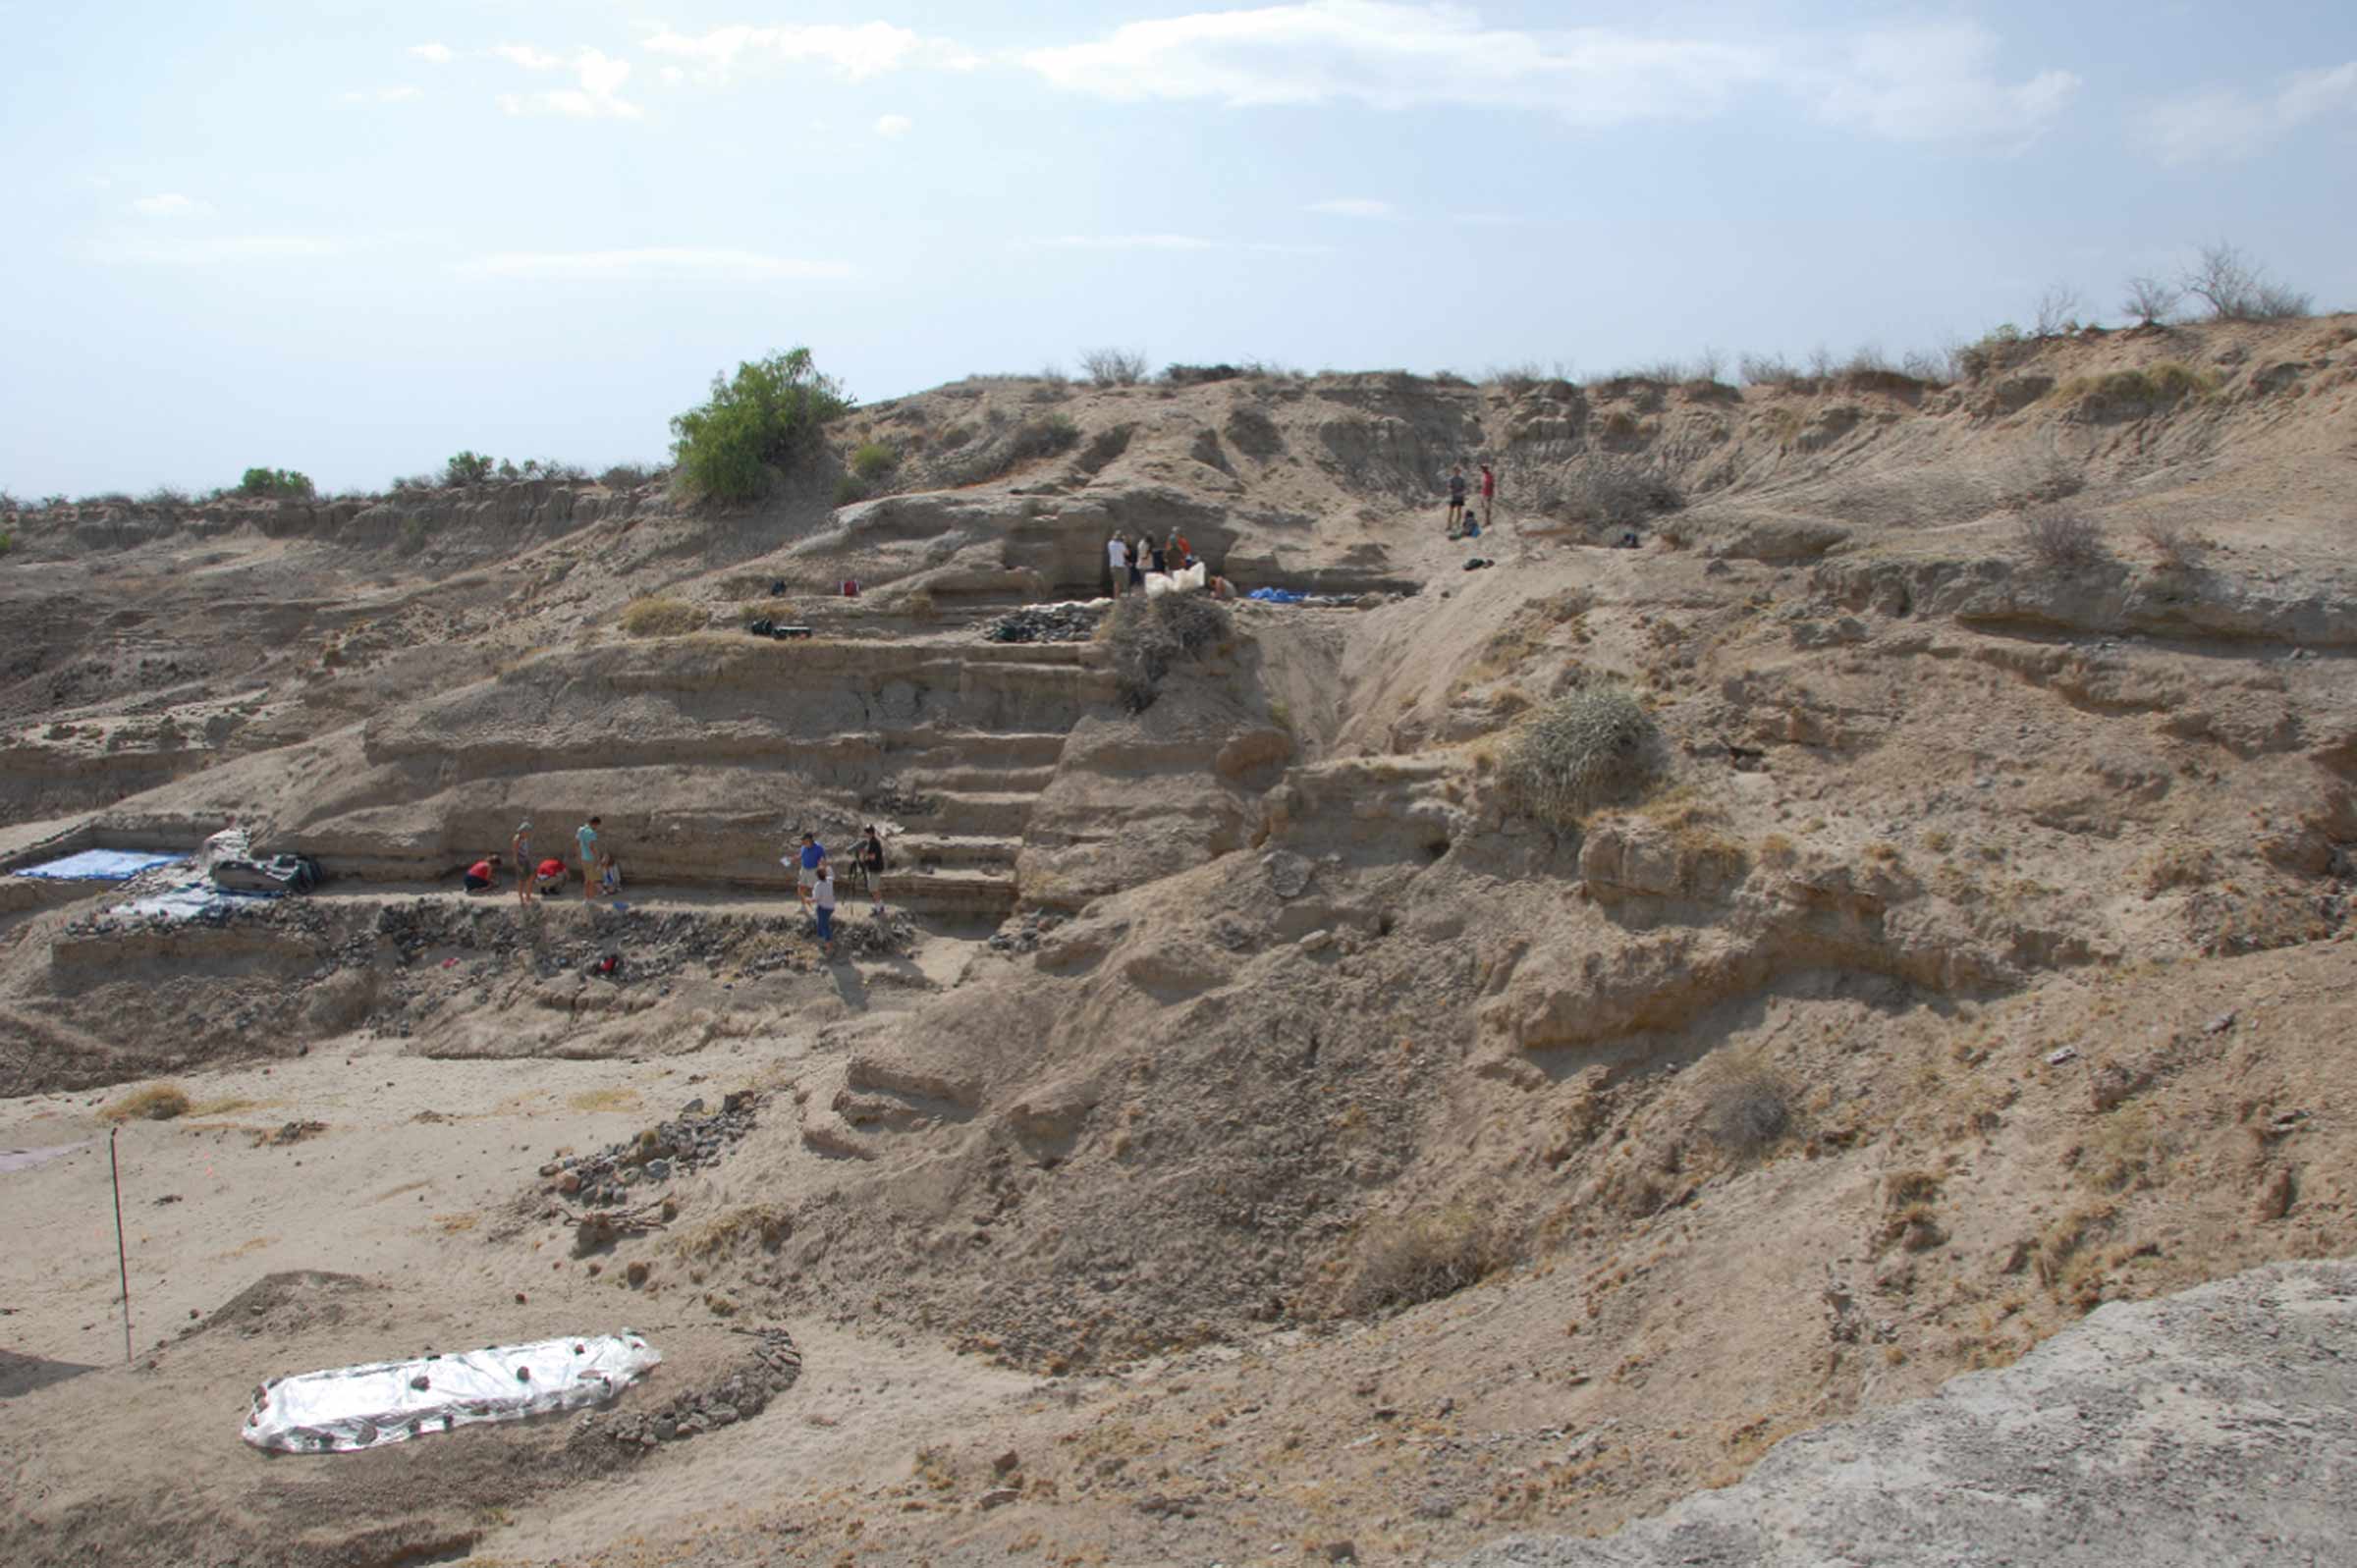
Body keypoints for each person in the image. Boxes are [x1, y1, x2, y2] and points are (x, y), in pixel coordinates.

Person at [855, 825, 888, 915]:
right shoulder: (872, 842)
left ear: (869, 833)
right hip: (874, 868)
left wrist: (863, 853)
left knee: (873, 889)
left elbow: (872, 857)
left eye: (865, 832)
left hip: (875, 869)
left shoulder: (874, 843)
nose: (864, 834)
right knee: (875, 889)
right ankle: (880, 906)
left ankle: (878, 909)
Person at [811, 864, 839, 957]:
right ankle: (822, 940)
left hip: (823, 908)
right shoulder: (830, 880)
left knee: (824, 926)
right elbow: (830, 870)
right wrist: (824, 864)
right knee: (820, 922)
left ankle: (829, 948)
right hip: (830, 907)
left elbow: (815, 899)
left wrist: (807, 899)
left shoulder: (818, 885)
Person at [795, 832, 827, 912]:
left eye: (804, 840)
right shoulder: (803, 846)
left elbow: (823, 859)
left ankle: (818, 907)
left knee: (815, 889)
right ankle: (803, 906)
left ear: (809, 840)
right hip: (804, 869)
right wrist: (793, 858)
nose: (802, 842)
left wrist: (822, 868)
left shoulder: (818, 847)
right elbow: (801, 855)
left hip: (814, 870)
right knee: (800, 888)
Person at [576, 816, 602, 901]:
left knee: (587, 879)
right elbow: (592, 846)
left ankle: (586, 898)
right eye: (597, 826)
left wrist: (578, 856)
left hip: (583, 858)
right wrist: (597, 858)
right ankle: (591, 898)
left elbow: (576, 844)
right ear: (595, 824)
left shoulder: (580, 830)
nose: (597, 828)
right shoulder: (591, 832)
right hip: (591, 859)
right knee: (592, 880)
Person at [511, 821, 535, 905]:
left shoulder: (525, 838)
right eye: (528, 831)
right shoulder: (517, 839)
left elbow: (525, 850)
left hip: (526, 860)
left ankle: (528, 895)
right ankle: (521, 899)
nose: (529, 833)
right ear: (523, 831)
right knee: (521, 880)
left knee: (531, 876)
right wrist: (517, 865)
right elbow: (515, 853)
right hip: (520, 861)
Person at [1445, 463, 1468, 539]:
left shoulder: (1462, 479)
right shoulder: (1451, 479)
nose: (1456, 472)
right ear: (1453, 471)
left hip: (1459, 497)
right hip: (1453, 497)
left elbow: (1464, 488)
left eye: (1457, 470)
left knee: (1459, 511)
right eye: (1455, 470)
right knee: (1451, 511)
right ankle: (1449, 525)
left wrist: (1462, 493)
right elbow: (1449, 487)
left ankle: (1457, 524)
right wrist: (1451, 491)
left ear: (1459, 471)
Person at [1106, 532, 1129, 598]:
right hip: (1120, 565)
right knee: (1120, 582)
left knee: (1116, 582)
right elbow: (1127, 553)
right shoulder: (1121, 544)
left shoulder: (1110, 543)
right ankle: (1118, 598)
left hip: (1113, 565)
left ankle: (1117, 597)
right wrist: (1124, 543)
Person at [1479, 462, 1497, 532]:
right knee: (1484, 507)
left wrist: (1491, 493)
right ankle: (1487, 521)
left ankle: (1487, 521)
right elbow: (1483, 484)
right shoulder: (1484, 475)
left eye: (1483, 468)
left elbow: (1492, 484)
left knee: (1487, 508)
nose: (1482, 469)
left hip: (1488, 493)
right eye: (1482, 468)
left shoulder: (1489, 475)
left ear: (1486, 468)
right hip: (1484, 493)